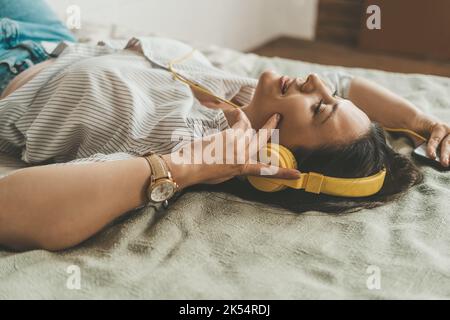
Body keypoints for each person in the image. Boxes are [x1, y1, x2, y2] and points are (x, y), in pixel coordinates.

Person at [0, 2, 449, 251]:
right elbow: (348, 83)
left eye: (319, 109)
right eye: (332, 99)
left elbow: (10, 209)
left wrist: (186, 167)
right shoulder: (249, 96)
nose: (317, 84)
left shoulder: (172, 148)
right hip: (45, 33)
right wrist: (423, 122)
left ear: (276, 159)